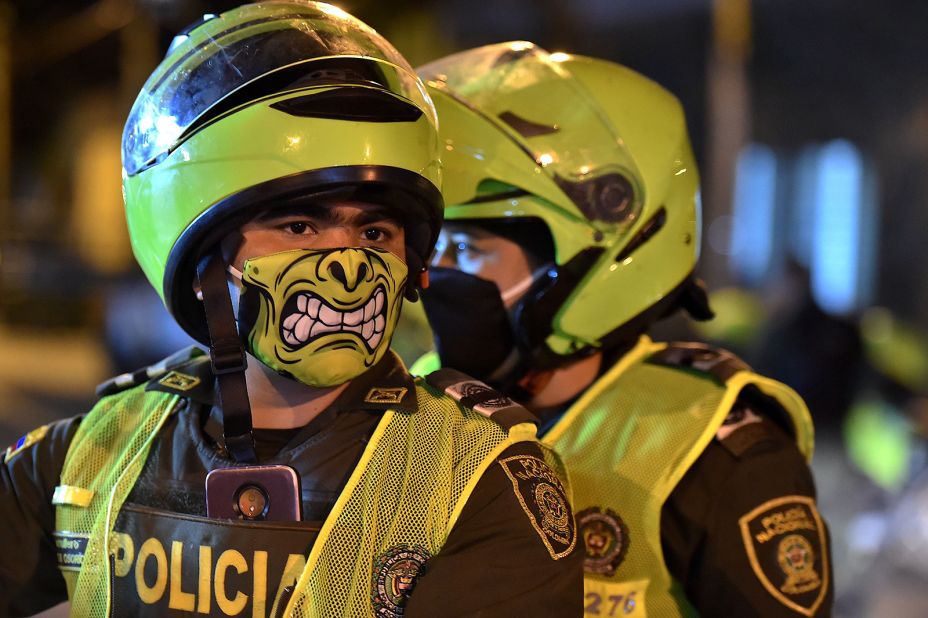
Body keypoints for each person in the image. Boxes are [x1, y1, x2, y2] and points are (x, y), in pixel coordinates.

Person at [0, 9, 583, 617]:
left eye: (376, 232)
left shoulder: (478, 481)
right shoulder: (98, 450)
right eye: (300, 226)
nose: (348, 265)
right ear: (199, 256)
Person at [414, 42, 833, 616]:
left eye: (467, 247)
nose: (438, 274)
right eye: (436, 246)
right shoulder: (416, 406)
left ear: (595, 256)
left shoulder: (709, 454)